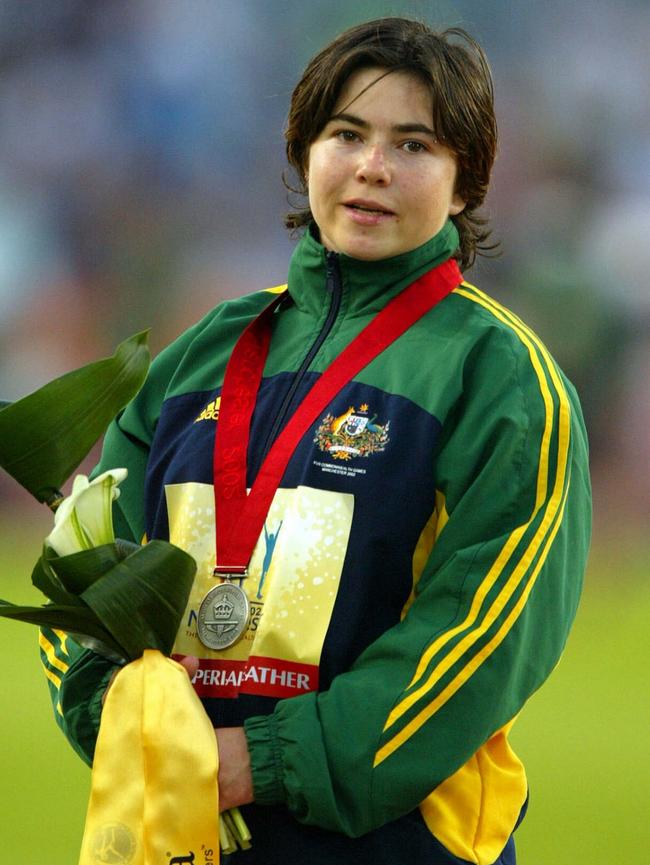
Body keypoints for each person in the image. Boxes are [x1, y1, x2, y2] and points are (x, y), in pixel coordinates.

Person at [40, 17, 591, 865]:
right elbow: (83, 567)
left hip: (396, 846)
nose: (372, 166)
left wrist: (255, 762)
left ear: (464, 181)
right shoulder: (199, 356)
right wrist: (122, 722)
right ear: (305, 151)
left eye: (414, 144)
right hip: (181, 835)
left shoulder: (502, 378)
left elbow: (477, 643)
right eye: (347, 134)